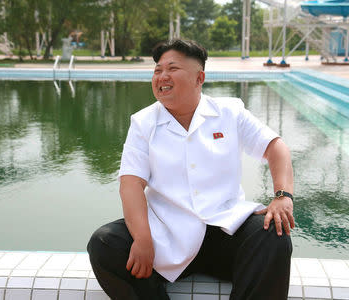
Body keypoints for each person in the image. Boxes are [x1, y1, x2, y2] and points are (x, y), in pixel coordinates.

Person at [87, 39, 294, 300]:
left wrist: (283, 195)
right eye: (157, 70)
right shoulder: (143, 123)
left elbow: (276, 147)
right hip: (166, 237)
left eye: (172, 69)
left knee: (273, 234)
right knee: (105, 244)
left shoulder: (229, 111)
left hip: (225, 230)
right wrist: (142, 239)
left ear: (199, 77)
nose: (162, 76)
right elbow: (131, 183)